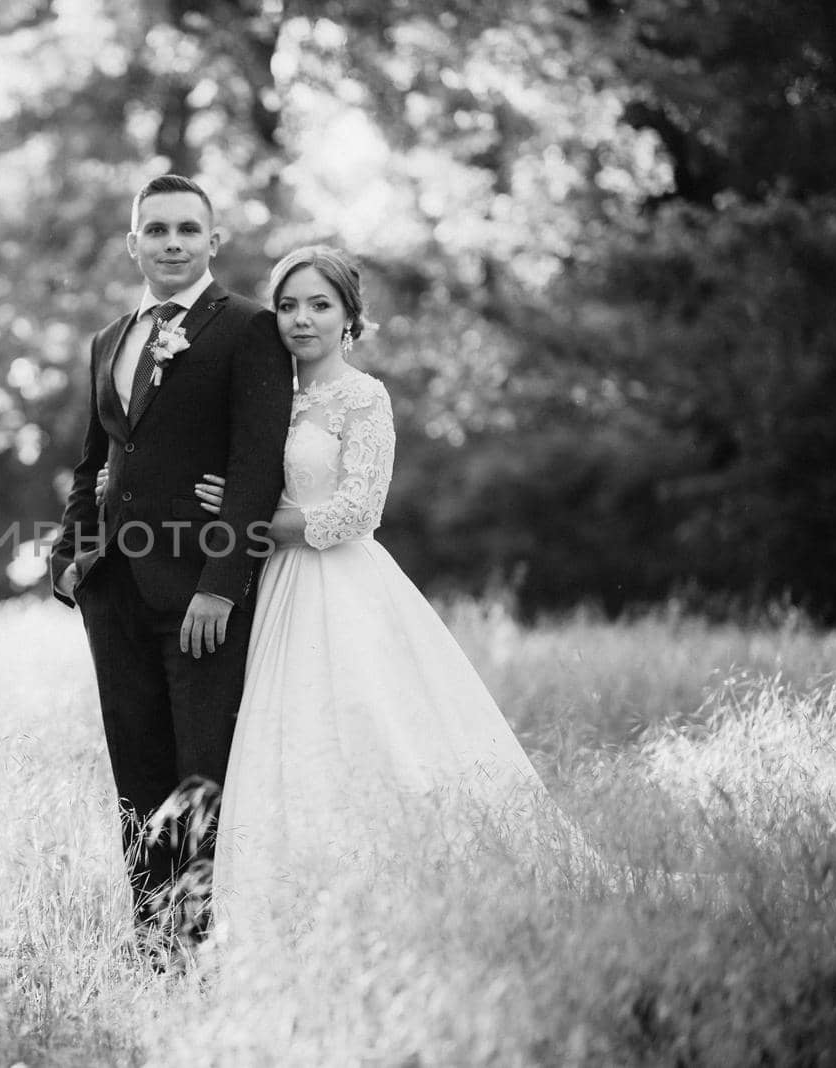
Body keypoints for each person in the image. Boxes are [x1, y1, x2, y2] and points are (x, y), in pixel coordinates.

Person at [184, 245, 560, 946]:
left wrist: (246, 523)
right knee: (277, 731)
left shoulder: (363, 396)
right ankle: (284, 907)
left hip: (337, 582)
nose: (301, 319)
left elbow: (358, 511)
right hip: (267, 586)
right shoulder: (262, 399)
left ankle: (396, 899)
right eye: (288, 304)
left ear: (350, 318)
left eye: (319, 304)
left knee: (361, 722)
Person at [50, 175, 293, 953]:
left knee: (202, 776)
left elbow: (256, 468)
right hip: (115, 593)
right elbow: (93, 465)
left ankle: (200, 942)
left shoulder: (249, 328)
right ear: (134, 243)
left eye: (189, 229)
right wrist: (68, 560)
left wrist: (222, 584)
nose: (172, 242)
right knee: (137, 775)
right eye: (156, 230)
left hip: (199, 597)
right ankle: (152, 945)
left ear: (213, 242)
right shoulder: (109, 340)